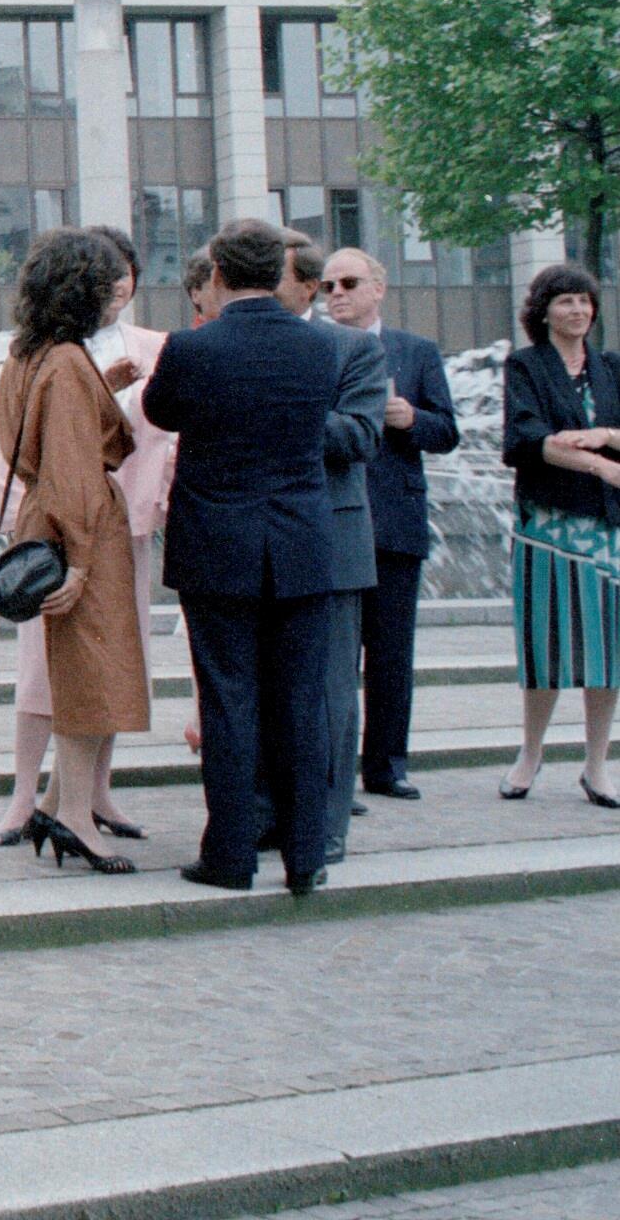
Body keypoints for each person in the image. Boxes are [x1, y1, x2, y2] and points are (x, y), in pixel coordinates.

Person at [142, 218, 348, 894]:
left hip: (218, 545)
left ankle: (230, 855)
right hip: (301, 543)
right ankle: (306, 855)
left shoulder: (191, 348)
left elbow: (161, 412)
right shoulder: (320, 346)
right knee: (302, 700)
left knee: (228, 700)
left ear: (219, 274)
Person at [0, 226, 173, 845]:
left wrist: (102, 390)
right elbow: (73, 468)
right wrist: (79, 562)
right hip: (82, 524)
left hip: (41, 517)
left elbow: (37, 441)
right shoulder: (69, 362)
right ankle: (73, 815)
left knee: (70, 668)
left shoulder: (25, 355)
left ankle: (53, 803)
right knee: (91, 671)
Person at [320, 247, 459, 800]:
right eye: (328, 285)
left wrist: (412, 418)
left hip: (395, 520)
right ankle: (334, 775)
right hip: (333, 520)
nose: (337, 293)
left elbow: (448, 432)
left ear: (378, 287)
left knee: (391, 653)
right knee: (334, 656)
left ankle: (387, 766)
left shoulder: (415, 351)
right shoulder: (316, 347)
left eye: (349, 282)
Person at [280, 232, 387, 863]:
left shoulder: (351, 348)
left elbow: (361, 435)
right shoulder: (239, 345)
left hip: (333, 539)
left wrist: (282, 408)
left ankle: (324, 828)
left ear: (306, 286)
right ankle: (270, 817)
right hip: (264, 536)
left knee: (329, 693)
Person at [498, 263, 620, 804]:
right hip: (547, 526)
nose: (578, 310)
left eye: (585, 301)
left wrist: (601, 435)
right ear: (544, 310)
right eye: (566, 301)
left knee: (608, 651)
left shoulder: (611, 367)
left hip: (607, 529)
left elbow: (572, 440)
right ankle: (531, 753)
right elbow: (526, 440)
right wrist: (600, 465)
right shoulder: (526, 366)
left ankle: (596, 765)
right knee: (545, 643)